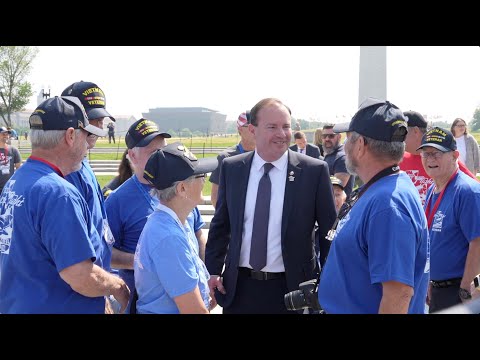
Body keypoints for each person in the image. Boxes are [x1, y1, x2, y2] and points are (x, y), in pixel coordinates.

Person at [205, 97, 337, 314]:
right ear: (252, 130)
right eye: (272, 127)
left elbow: (328, 233)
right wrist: (212, 270)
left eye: (286, 126)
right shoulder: (233, 168)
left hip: (292, 291)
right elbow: (221, 224)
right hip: (240, 289)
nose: (282, 134)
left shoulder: (314, 171)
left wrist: (327, 281)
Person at [0, 96, 130, 313]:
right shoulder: (58, 192)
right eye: (85, 135)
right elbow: (79, 275)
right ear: (70, 135)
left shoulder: (17, 181)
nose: (88, 144)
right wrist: (117, 287)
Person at [318, 98, 429, 314]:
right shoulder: (382, 189)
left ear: (360, 145)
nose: (345, 146)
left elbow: (398, 295)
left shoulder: (388, 205)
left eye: (349, 138)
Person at [105, 118, 208, 312]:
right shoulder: (117, 201)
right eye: (153, 153)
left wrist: (202, 275)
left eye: (163, 150)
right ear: (132, 157)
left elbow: (197, 233)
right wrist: (147, 262)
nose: (162, 157)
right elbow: (103, 253)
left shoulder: (178, 200)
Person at [134, 143, 218, 313]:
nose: (205, 180)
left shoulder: (176, 222)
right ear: (182, 188)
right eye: (200, 176)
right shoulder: (168, 237)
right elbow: (193, 311)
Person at [416, 127, 480, 313]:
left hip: (459, 291)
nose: (429, 160)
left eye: (437, 154)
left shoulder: (467, 192)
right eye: (425, 154)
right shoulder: (432, 190)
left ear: (455, 155)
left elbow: (477, 242)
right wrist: (430, 280)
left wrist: (467, 288)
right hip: (438, 289)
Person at [61, 81, 117, 279]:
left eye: (101, 118)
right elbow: (74, 261)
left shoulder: (83, 162)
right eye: (93, 119)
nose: (100, 125)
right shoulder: (65, 172)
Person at [400, 110, 476, 205]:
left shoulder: (447, 161)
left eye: (402, 133)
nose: (397, 138)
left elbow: (474, 191)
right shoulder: (397, 160)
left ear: (415, 131)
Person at [209, 111, 256, 208]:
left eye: (258, 126)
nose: (255, 130)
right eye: (250, 126)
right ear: (240, 129)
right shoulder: (226, 158)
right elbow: (215, 196)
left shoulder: (267, 156)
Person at [322, 124, 355, 198]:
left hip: (339, 207)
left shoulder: (342, 157)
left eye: (331, 136)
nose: (327, 139)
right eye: (324, 136)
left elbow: (336, 189)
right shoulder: (331, 154)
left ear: (339, 137)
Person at [0, 126, 21, 194]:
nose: (6, 136)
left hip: (9, 188)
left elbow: (19, 170)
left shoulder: (14, 150)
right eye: (3, 134)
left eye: (7, 134)